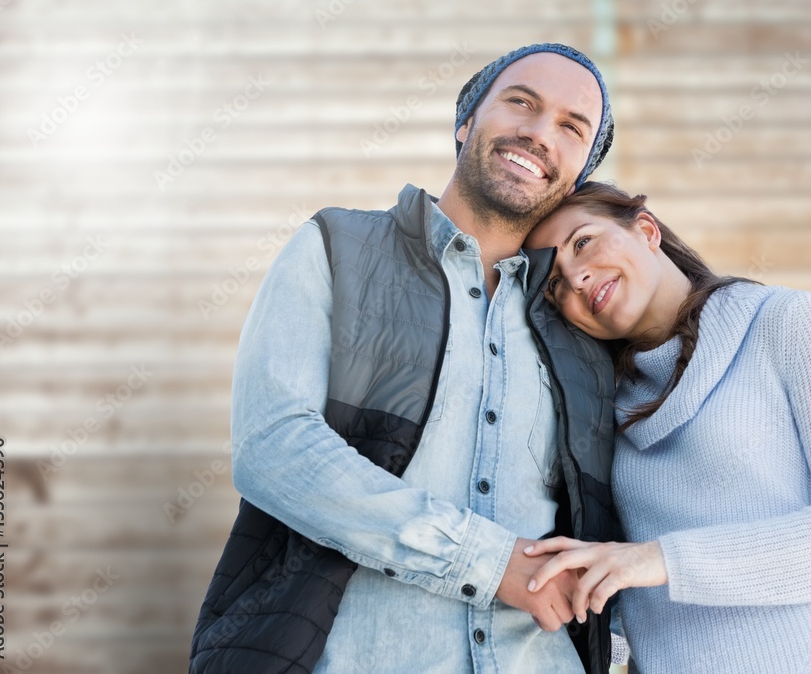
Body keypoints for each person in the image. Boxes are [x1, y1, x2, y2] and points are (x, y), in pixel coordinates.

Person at [188, 44, 621, 674]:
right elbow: (273, 447)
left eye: (570, 127)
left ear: (579, 173)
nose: (537, 131)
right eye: (520, 102)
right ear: (466, 121)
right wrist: (488, 561)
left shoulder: (582, 322)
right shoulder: (338, 248)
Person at [521, 181, 811, 673]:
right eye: (555, 284)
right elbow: (621, 596)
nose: (577, 278)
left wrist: (663, 561)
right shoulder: (595, 411)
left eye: (582, 243)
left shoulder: (785, 322)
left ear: (646, 230)